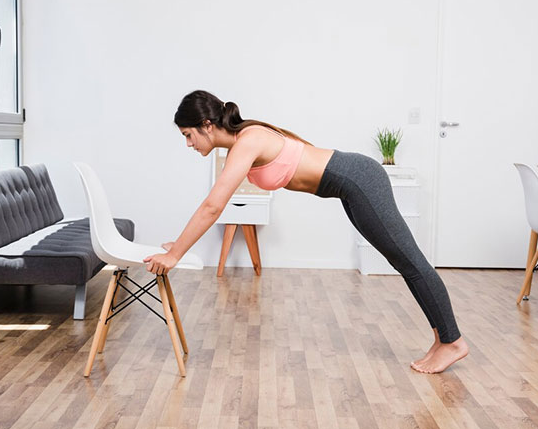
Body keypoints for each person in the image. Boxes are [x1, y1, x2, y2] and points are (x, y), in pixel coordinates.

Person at [143, 90, 468, 373]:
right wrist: (179, 246)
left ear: (207, 126)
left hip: (359, 180)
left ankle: (452, 341)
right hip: (350, 187)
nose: (188, 143)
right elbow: (216, 205)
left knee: (410, 260)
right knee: (403, 262)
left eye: (188, 134)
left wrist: (175, 255)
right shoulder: (242, 144)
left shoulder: (249, 140)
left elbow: (212, 206)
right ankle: (443, 338)